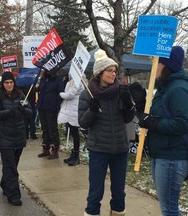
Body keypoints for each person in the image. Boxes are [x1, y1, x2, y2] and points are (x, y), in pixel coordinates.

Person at [78, 49, 135, 216]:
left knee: (119, 193)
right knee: (95, 192)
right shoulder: (87, 95)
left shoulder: (120, 91)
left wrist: (129, 104)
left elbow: (127, 118)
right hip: (99, 150)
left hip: (120, 150)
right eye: (110, 71)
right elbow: (82, 123)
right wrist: (92, 110)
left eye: (114, 71)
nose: (113, 74)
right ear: (100, 73)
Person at [137, 46, 188, 216]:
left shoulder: (178, 89)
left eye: (157, 61)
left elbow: (183, 123)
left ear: (167, 65)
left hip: (172, 156)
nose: (154, 64)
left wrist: (153, 123)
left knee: (169, 209)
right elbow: (159, 115)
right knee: (169, 207)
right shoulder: (164, 87)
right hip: (161, 154)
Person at [0, 72, 32, 206]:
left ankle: (5, 184)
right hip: (4, 136)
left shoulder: (21, 96)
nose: (9, 85)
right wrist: (10, 112)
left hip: (19, 135)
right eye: (6, 82)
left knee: (13, 164)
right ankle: (14, 195)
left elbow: (30, 113)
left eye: (11, 82)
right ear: (2, 84)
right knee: (10, 167)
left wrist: (23, 109)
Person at [58, 73, 85, 166]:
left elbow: (71, 95)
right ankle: (73, 154)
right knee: (73, 133)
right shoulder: (71, 82)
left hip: (75, 111)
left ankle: (76, 156)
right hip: (70, 111)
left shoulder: (77, 82)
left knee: (75, 134)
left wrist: (60, 94)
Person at [37, 70, 63, 159]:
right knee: (44, 128)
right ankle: (46, 148)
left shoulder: (57, 80)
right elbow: (40, 90)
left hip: (51, 107)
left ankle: (54, 149)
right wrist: (36, 87)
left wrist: (57, 106)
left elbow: (60, 93)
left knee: (52, 128)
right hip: (42, 106)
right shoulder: (43, 79)